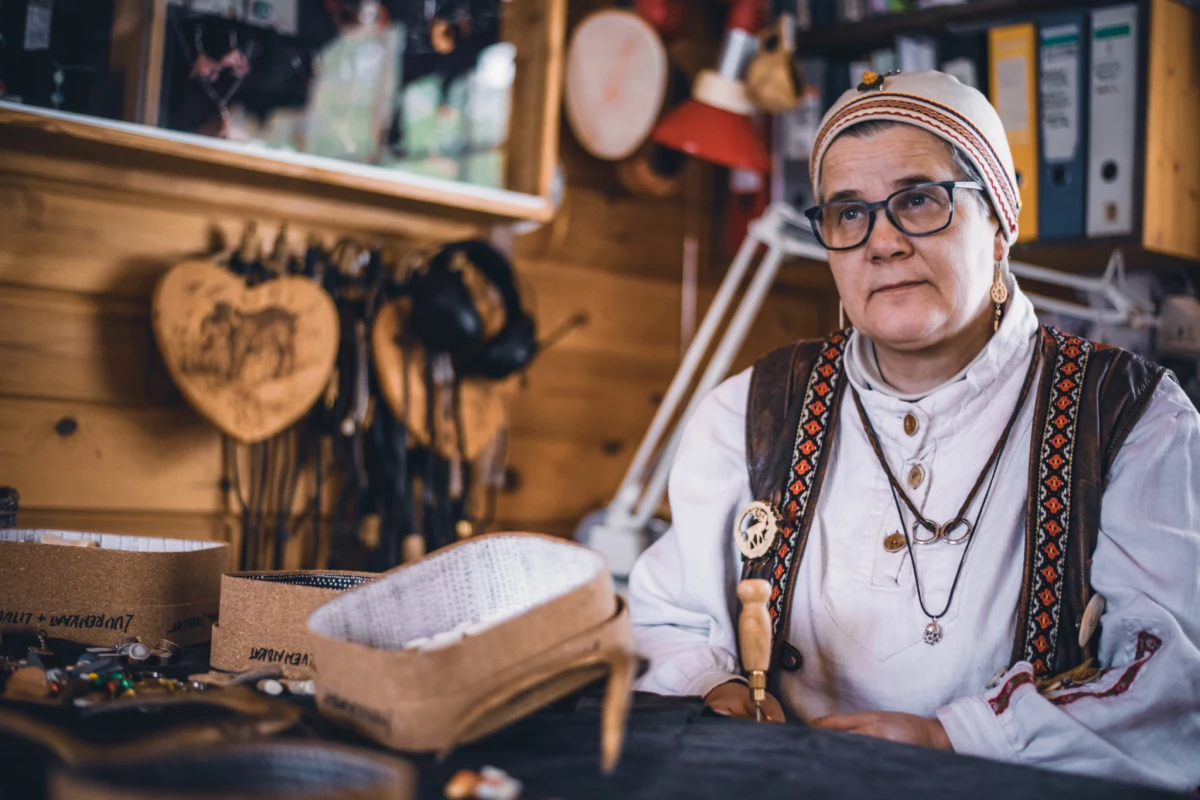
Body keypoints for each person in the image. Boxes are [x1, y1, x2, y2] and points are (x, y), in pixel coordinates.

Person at [628, 70, 1200, 791]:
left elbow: (1173, 688)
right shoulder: (749, 413)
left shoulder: (1132, 420)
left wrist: (951, 739)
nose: (883, 243)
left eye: (919, 200)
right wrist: (715, 687)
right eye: (849, 213)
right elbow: (669, 622)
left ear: (1001, 222)